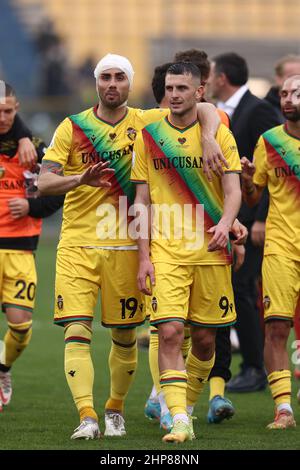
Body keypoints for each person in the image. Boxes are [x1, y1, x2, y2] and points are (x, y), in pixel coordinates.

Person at [37, 53, 226, 440]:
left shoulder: (147, 121)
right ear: (95, 83)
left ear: (129, 83)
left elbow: (205, 106)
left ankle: (115, 410)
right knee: (77, 327)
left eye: (119, 77)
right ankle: (87, 415)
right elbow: (43, 183)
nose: (111, 84)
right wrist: (78, 180)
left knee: (124, 336)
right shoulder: (71, 127)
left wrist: (207, 136)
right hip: (78, 244)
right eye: (104, 77)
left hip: (126, 246)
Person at [132, 62, 242, 443]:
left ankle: (187, 406)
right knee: (171, 332)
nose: (174, 94)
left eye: (182, 88)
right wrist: (144, 256)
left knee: (208, 341)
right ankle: (178, 417)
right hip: (167, 253)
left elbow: (233, 191)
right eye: (170, 87)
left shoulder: (220, 135)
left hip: (211, 251)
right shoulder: (148, 136)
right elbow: (141, 201)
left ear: (199, 91)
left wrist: (227, 224)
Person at [208, 52, 282, 393]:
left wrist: (262, 217)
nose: (206, 80)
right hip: (236, 218)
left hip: (255, 220)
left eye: (209, 74)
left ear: (222, 77)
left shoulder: (259, 110)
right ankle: (250, 364)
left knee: (244, 288)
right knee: (237, 288)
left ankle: (255, 367)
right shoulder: (223, 115)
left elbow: (275, 166)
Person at [0, 82, 64, 411]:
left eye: (9, 111)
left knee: (21, 327)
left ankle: (3, 369)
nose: (3, 118)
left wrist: (31, 207)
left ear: (18, 107)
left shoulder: (35, 150)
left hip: (20, 249)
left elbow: (57, 194)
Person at [241, 75, 300, 429]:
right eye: (285, 93)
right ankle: (283, 409)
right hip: (281, 248)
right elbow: (253, 197)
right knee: (276, 327)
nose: (288, 98)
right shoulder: (269, 141)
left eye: (296, 93)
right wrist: (248, 180)